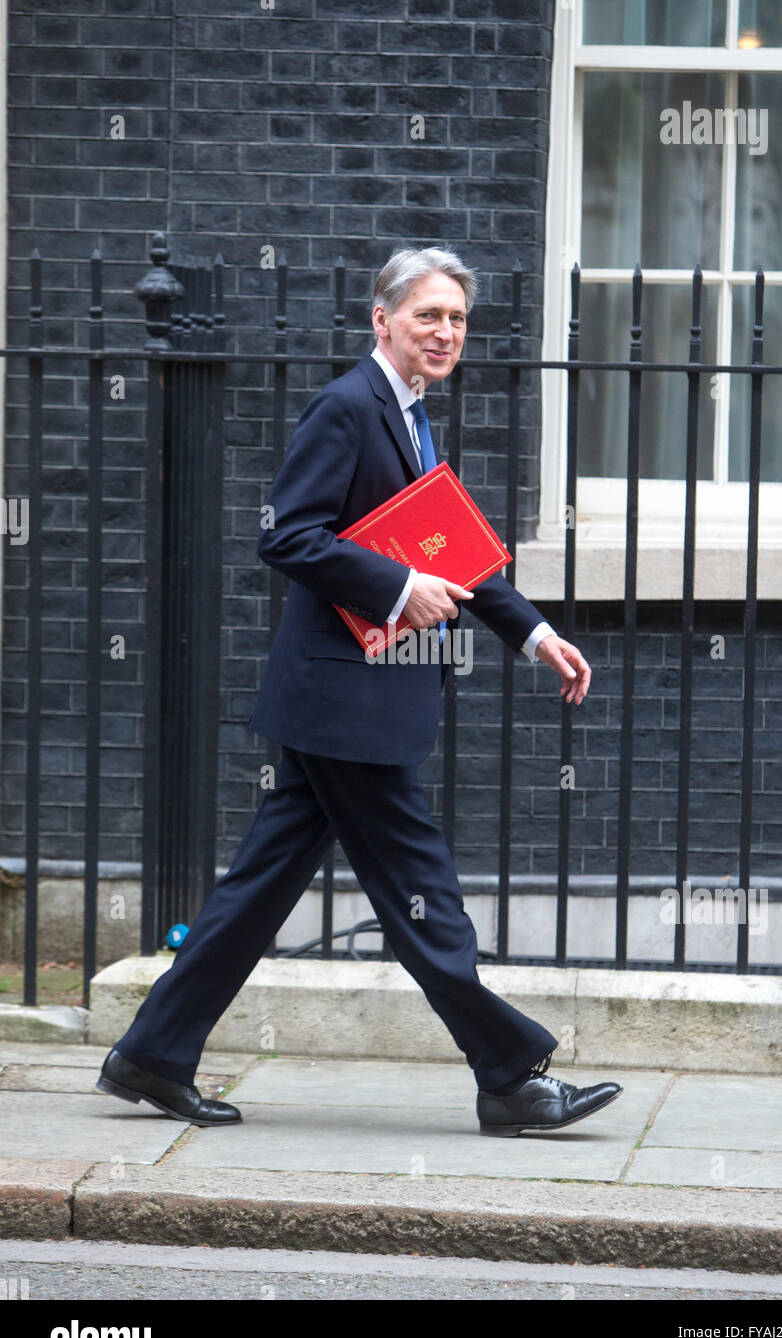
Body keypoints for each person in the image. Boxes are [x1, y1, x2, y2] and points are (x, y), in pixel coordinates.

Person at [96, 246, 623, 1138]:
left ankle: (151, 1055)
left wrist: (533, 632)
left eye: (456, 318)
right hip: (347, 706)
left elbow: (448, 549)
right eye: (429, 316)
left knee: (256, 893)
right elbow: (288, 536)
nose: (446, 332)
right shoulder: (349, 407)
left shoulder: (412, 419)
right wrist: (391, 586)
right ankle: (508, 1073)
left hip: (341, 704)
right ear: (382, 321)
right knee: (424, 894)